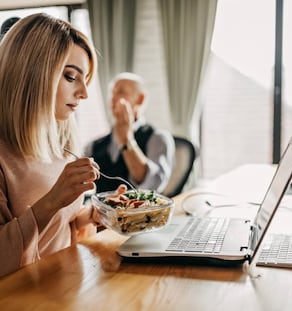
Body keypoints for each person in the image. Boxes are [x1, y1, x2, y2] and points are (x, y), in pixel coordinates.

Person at [0, 13, 101, 277]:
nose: (84, 93)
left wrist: (90, 216)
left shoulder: (59, 142)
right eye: (70, 77)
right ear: (31, 73)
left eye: (85, 79)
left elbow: (56, 228)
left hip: (64, 288)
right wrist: (54, 199)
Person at [84, 72, 175, 194]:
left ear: (140, 99)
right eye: (112, 93)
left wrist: (126, 140)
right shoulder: (93, 145)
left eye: (121, 92)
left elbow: (153, 184)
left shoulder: (158, 138)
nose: (113, 98)